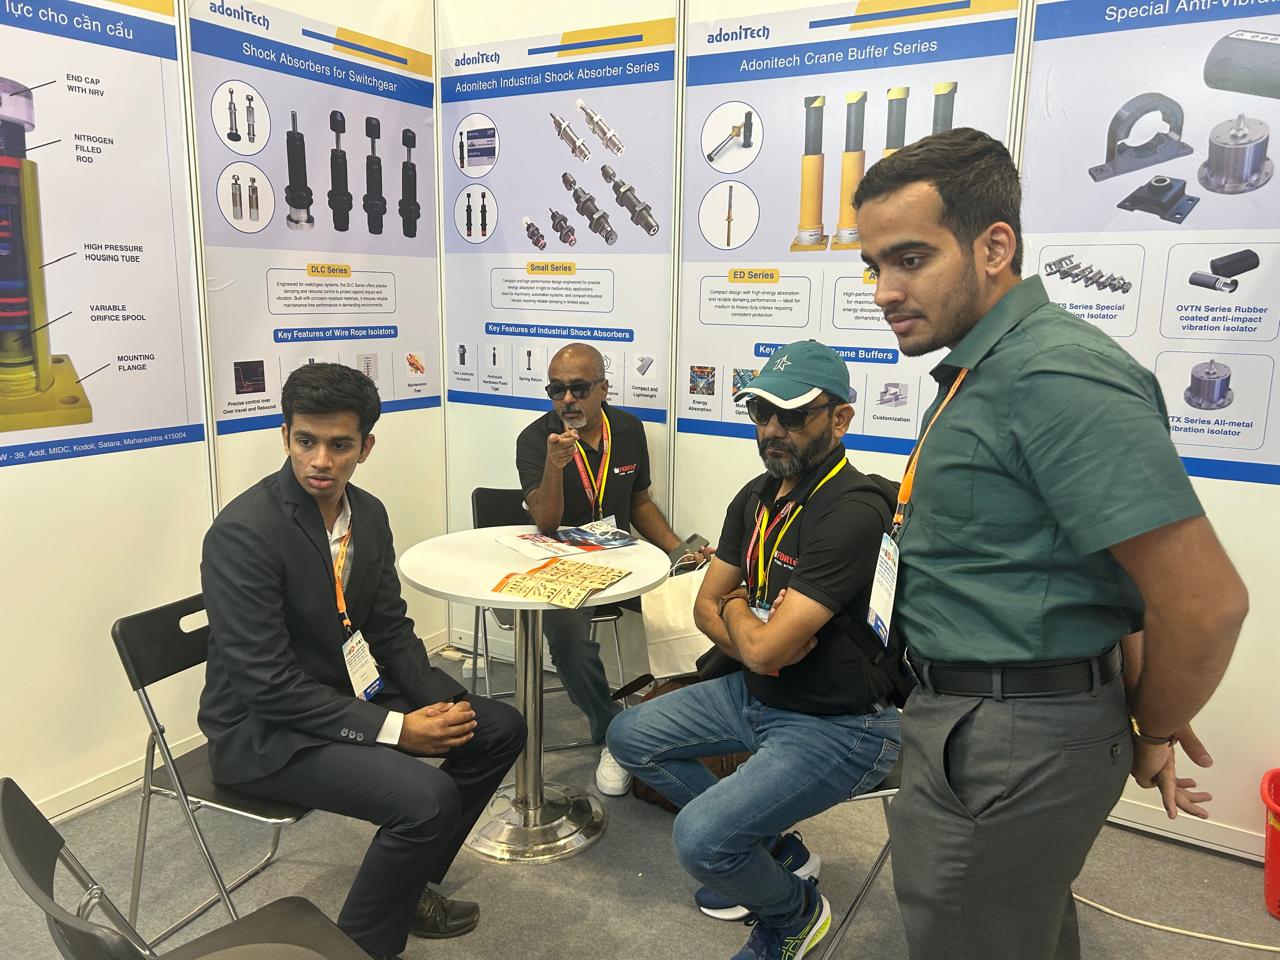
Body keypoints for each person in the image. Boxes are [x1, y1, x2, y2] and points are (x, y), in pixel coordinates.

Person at [852, 128, 1248, 959]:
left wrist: (1153, 725)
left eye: (910, 259)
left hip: (1009, 734)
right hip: (980, 719)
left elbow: (1206, 603)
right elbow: (1101, 566)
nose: (884, 290)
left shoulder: (1053, 375)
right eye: (874, 265)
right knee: (1010, 928)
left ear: (994, 248)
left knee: (972, 934)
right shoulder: (985, 368)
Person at [199, 363, 525, 960]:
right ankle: (360, 948)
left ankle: (406, 887)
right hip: (264, 732)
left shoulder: (367, 514)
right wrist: (398, 730)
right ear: (286, 437)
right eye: (306, 441)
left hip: (340, 692)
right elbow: (266, 686)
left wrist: (443, 705)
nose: (320, 460)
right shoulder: (243, 533)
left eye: (340, 445)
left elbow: (389, 628)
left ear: (365, 447)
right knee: (426, 799)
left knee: (498, 727)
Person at [607, 340, 904, 960]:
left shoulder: (852, 511)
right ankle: (772, 851)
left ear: (840, 419)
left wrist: (740, 613)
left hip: (840, 721)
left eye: (792, 414)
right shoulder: (757, 496)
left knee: (700, 840)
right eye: (761, 412)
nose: (772, 429)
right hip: (759, 689)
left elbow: (744, 625)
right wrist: (751, 632)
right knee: (630, 735)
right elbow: (706, 607)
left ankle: (795, 915)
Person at [517, 342, 702, 796]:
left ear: (603, 388)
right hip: (564, 562)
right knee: (564, 632)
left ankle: (683, 726)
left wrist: (680, 552)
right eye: (556, 390)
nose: (567, 400)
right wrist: (555, 467)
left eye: (579, 388)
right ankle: (612, 730)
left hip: (623, 557)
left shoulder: (628, 429)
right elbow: (545, 522)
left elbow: (639, 502)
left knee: (700, 600)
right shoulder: (535, 438)